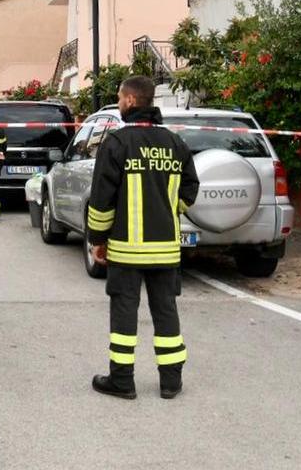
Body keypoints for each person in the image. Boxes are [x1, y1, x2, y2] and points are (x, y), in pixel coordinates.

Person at [86, 75, 199, 400]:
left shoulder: (117, 143)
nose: (119, 103)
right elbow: (191, 187)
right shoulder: (175, 143)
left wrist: (98, 239)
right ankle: (170, 382)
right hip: (165, 250)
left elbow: (101, 199)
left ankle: (122, 381)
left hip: (126, 251)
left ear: (132, 101)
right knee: (166, 311)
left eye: (120, 98)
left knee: (124, 311)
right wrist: (169, 207)